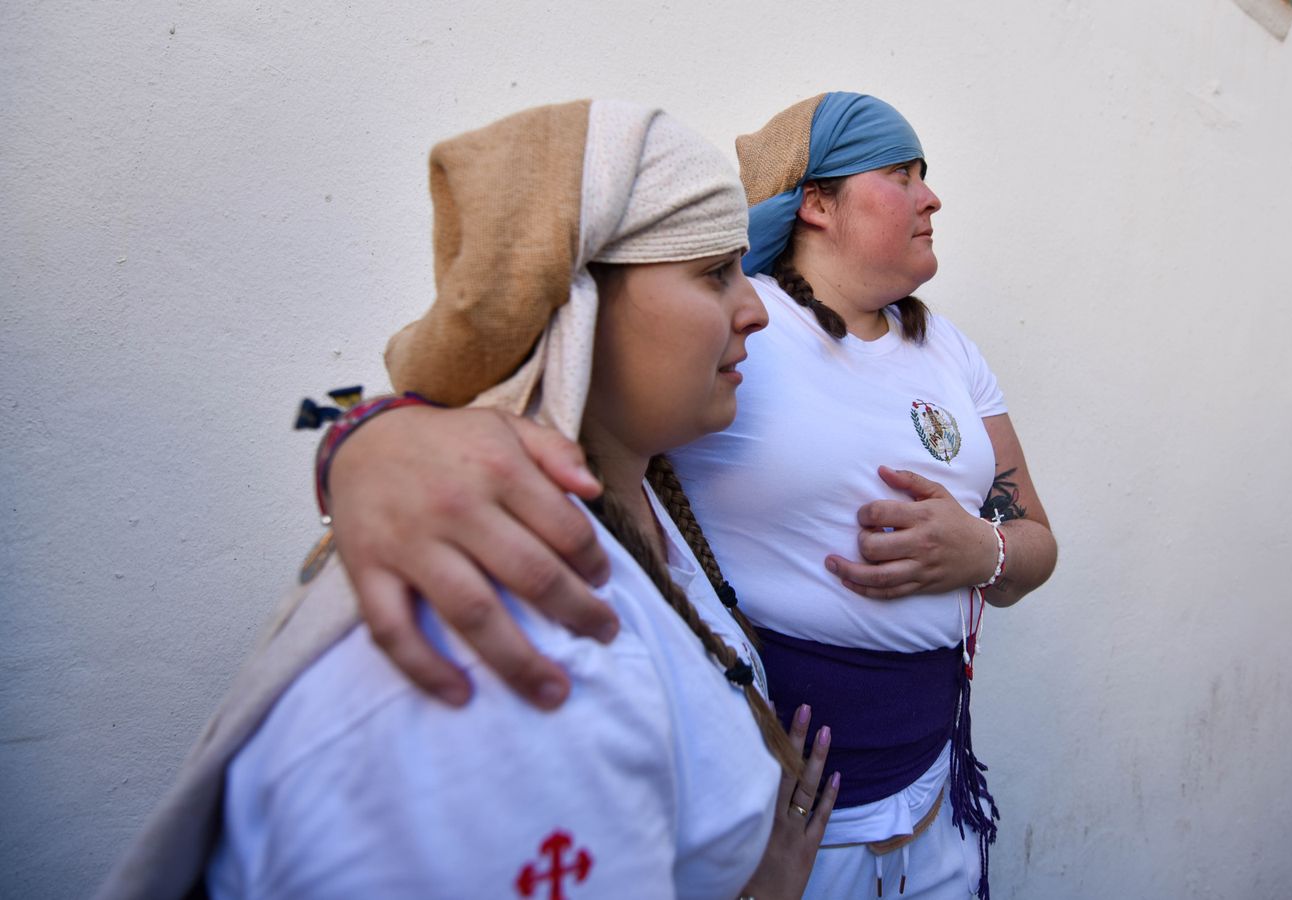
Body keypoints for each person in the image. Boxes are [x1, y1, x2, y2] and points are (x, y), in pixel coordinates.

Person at [95, 99, 841, 900]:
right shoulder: (517, 633)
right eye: (712, 271)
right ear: (576, 308)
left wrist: (360, 432)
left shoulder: (647, 501)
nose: (755, 306)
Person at [324, 92, 1058, 899]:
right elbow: (467, 376)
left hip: (937, 788)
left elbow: (1033, 538)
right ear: (817, 202)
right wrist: (360, 439)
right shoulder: (749, 338)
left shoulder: (946, 347)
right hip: (804, 834)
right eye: (900, 173)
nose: (931, 196)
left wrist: (983, 548)